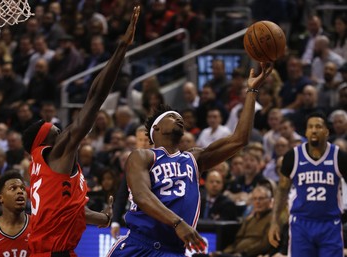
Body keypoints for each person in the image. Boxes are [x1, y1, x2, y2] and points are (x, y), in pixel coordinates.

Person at [106, 62, 273, 256]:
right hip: (139, 244)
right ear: (156, 129)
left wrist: (252, 90)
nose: (179, 119)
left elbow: (239, 140)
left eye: (180, 118)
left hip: (173, 250)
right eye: (172, 116)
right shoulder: (142, 156)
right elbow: (142, 197)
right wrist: (178, 223)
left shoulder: (194, 158)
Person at [21, 6, 140, 257]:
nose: (62, 129)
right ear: (47, 140)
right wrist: (121, 47)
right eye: (57, 130)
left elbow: (70, 209)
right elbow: (95, 98)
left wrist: (103, 218)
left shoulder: (46, 169)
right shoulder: (56, 152)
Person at [268, 112, 347, 257]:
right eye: (310, 127)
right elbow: (282, 190)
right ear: (306, 131)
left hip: (330, 224)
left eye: (318, 126)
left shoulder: (339, 157)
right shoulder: (293, 157)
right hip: (301, 224)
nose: (314, 130)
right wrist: (275, 222)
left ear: (327, 131)